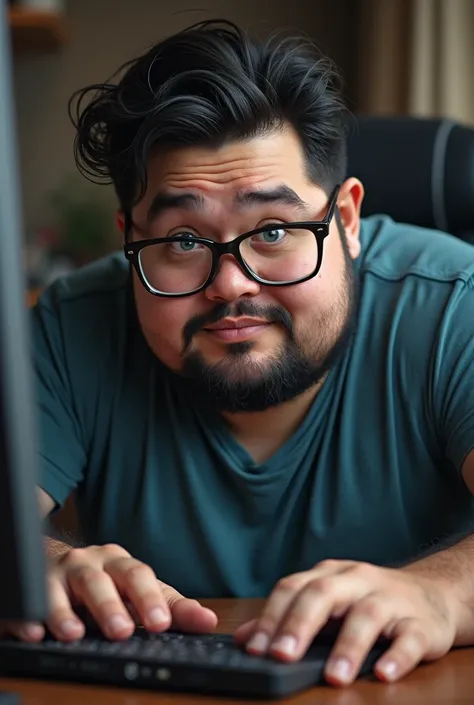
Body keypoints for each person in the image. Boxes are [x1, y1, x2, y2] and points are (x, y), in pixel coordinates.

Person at [11, 19, 474, 687]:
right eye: (182, 241)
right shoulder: (70, 325)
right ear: (128, 238)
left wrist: (443, 593)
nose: (232, 283)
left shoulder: (452, 303)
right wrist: (31, 563)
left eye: (276, 230)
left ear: (345, 220)